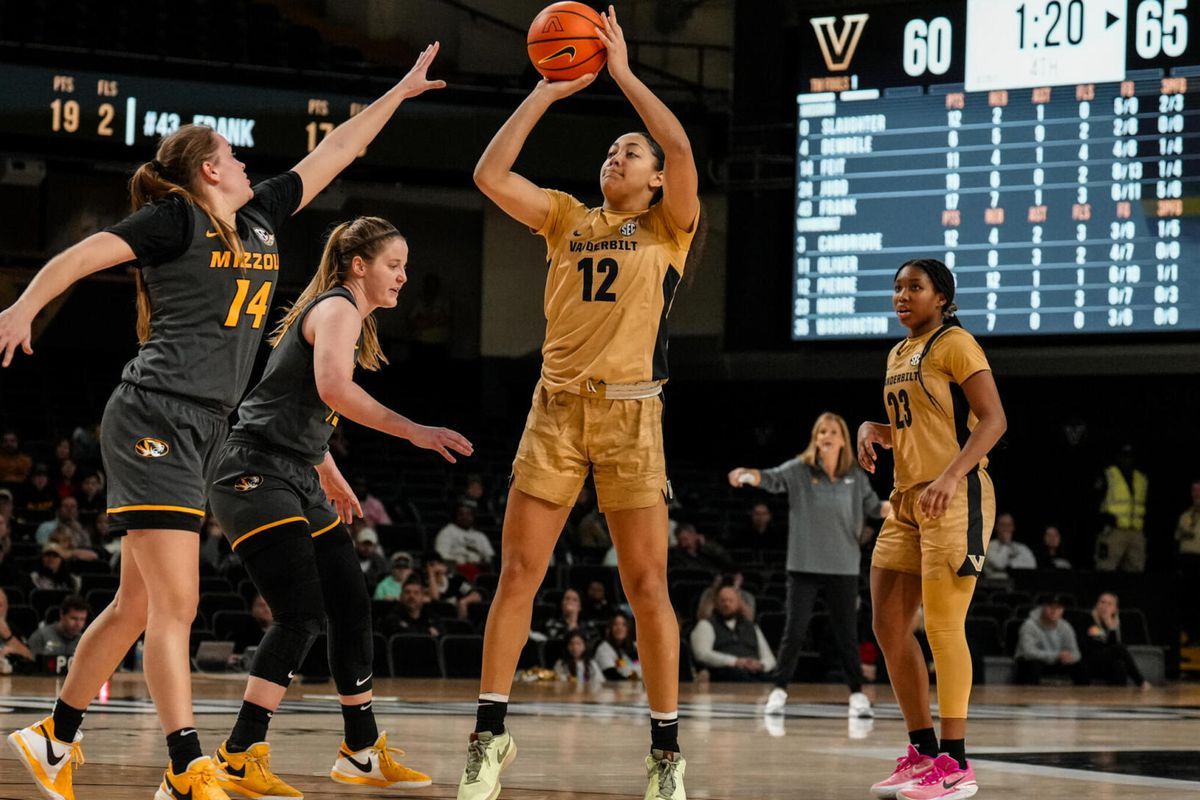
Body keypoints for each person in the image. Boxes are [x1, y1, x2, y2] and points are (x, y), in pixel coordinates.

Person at [3, 42, 451, 800]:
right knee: (175, 605)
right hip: (154, 415)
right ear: (209, 168)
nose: (245, 162)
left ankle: (53, 737)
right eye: (232, 155)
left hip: (207, 427)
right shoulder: (172, 220)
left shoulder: (265, 213)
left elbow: (339, 148)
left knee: (135, 606)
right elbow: (82, 255)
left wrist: (399, 94)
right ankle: (184, 767)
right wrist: (21, 306)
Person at [459, 8, 701, 799]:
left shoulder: (671, 226)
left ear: (656, 177)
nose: (616, 154)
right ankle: (488, 740)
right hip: (557, 411)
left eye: (629, 151)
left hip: (634, 416)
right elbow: (490, 177)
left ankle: (666, 754)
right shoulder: (567, 217)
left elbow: (683, 146)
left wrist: (625, 76)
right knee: (519, 574)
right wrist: (547, 90)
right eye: (611, 148)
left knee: (648, 588)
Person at [206, 210, 472, 797]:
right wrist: (415, 431)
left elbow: (296, 401)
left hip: (294, 469)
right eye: (394, 265)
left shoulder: (342, 313)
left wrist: (329, 469)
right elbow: (332, 389)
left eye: (405, 267)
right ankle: (237, 755)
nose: (403, 277)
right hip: (252, 468)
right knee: (301, 613)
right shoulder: (338, 308)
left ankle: (359, 749)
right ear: (359, 265)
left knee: (350, 601)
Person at [857, 258, 1006, 800]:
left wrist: (949, 476)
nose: (902, 296)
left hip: (955, 496)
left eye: (914, 287)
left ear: (942, 297)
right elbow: (919, 428)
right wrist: (876, 428)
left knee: (943, 628)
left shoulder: (955, 344)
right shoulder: (899, 352)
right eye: (897, 288)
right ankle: (921, 752)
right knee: (888, 625)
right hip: (907, 501)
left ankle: (957, 763)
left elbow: (993, 420)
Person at [729, 410, 888, 718]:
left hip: (843, 566)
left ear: (843, 439)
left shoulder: (855, 475)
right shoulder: (801, 470)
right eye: (821, 432)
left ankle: (857, 694)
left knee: (846, 633)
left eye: (831, 432)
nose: (825, 436)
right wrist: (747, 474)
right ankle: (778, 690)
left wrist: (896, 507)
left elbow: (873, 506)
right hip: (803, 565)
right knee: (795, 631)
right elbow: (772, 478)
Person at [689, 585, 776, 682]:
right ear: (716, 603)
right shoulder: (706, 625)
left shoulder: (752, 627)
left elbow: (769, 658)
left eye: (731, 600)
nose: (727, 604)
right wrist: (735, 662)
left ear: (739, 603)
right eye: (723, 600)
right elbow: (702, 654)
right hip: (724, 673)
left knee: (774, 684)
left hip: (755, 672)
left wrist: (761, 665)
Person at [1095, 444, 1148, 572]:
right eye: (1124, 456)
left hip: (1135, 532)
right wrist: (1103, 519)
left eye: (1130, 456)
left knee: (1136, 571)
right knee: (1106, 568)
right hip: (1113, 531)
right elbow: (1094, 500)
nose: (1127, 460)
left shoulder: (1141, 479)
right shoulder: (1108, 475)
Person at [1014, 595, 1086, 686]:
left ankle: (1082, 697)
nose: (1054, 611)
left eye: (1058, 608)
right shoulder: (1029, 625)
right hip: (1032, 661)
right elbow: (1029, 653)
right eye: (1050, 607)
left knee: (1079, 666)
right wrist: (1057, 655)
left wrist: (1070, 657)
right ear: (1043, 607)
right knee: (1033, 666)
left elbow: (1076, 653)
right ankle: (1030, 697)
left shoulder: (1065, 626)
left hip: (1055, 661)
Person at [1083, 592, 1149, 688]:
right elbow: (1101, 645)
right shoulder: (1088, 620)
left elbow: (1113, 649)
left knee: (1120, 665)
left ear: (1115, 609)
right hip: (1089, 661)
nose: (1105, 606)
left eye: (1109, 604)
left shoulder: (1114, 623)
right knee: (1120, 648)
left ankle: (1118, 697)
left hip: (1105, 664)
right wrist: (1109, 629)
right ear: (1097, 605)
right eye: (1102, 602)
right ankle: (1141, 682)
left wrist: (1111, 627)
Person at [434, 500, 495, 568]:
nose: (465, 517)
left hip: (478, 569)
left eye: (469, 514)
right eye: (461, 514)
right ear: (455, 515)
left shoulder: (480, 536)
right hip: (456, 570)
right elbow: (442, 556)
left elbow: (489, 557)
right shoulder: (447, 532)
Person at [424, 552, 483, 619]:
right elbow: (435, 598)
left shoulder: (456, 581)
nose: (436, 568)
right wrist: (431, 575)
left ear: (444, 566)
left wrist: (463, 602)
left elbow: (477, 595)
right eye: (431, 565)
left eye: (438, 564)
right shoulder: (423, 585)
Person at [981, 513, 1036, 579]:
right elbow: (1000, 564)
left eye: (1009, 525)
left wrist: (1011, 565)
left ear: (1013, 527)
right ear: (996, 527)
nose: (1006, 528)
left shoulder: (1021, 547)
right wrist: (1006, 544)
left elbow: (1032, 565)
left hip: (1018, 585)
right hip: (995, 586)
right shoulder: (988, 546)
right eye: (1003, 525)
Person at [594, 612, 642, 681]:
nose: (619, 628)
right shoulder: (603, 649)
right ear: (610, 628)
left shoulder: (635, 646)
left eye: (624, 625)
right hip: (614, 689)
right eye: (615, 624)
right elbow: (611, 675)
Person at [0, 587, 34, 669]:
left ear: (6, 607)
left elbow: (31, 657)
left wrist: (8, 636)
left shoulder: (12, 628)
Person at [1174, 480, 1200, 578]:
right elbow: (1177, 539)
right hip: (1186, 560)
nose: (1197, 493)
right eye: (1194, 490)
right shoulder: (1184, 516)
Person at [355, 527, 390, 592]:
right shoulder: (350, 560)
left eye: (370, 545)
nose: (366, 548)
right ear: (357, 544)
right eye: (364, 544)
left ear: (375, 546)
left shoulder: (381, 563)